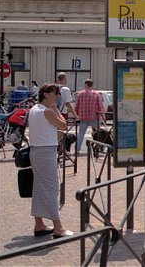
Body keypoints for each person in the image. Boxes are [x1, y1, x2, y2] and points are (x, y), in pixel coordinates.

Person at [28, 83, 73, 238]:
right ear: (46, 94)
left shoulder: (34, 109)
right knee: (51, 188)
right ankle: (58, 227)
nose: (57, 96)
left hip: (36, 151)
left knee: (39, 188)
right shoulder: (47, 111)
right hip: (45, 151)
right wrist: (54, 109)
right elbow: (63, 125)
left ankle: (39, 224)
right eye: (55, 93)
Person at [74, 79, 104, 154]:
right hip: (94, 117)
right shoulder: (96, 94)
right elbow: (100, 106)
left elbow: (77, 106)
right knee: (98, 133)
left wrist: (76, 115)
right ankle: (98, 147)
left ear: (86, 84)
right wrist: (103, 116)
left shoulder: (80, 94)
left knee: (81, 133)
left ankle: (77, 149)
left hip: (83, 117)